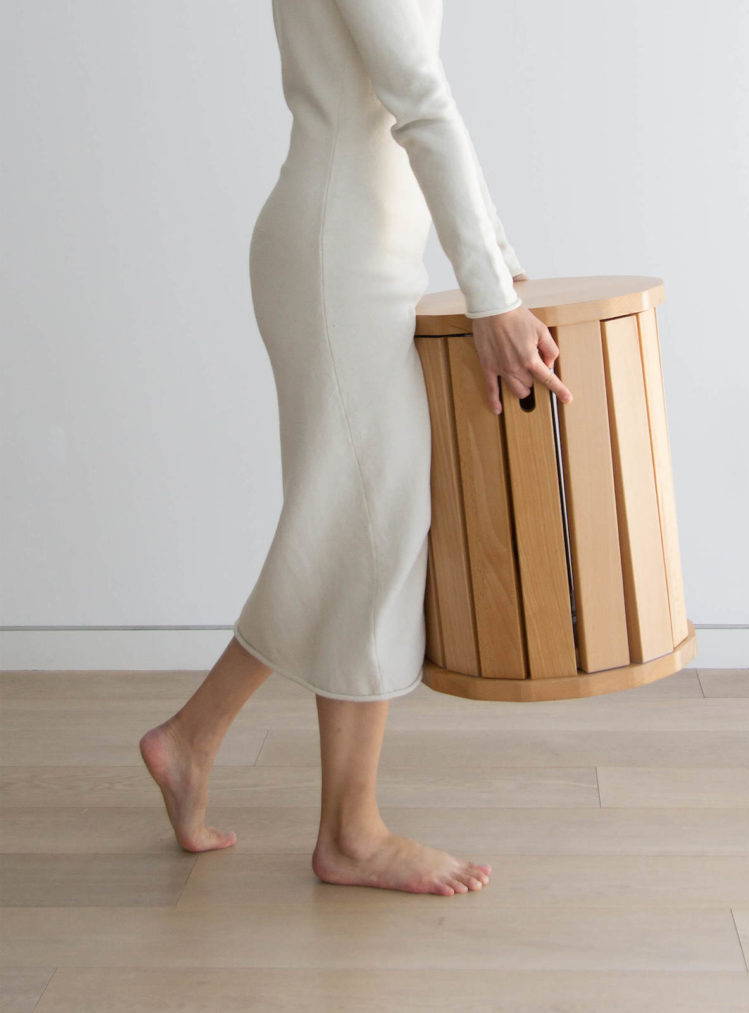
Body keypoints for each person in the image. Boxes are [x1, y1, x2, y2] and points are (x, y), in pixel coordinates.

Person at [139, 0, 572, 897]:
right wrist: (488, 291)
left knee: (355, 526)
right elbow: (421, 100)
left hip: (360, 246)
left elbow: (413, 102)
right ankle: (348, 830)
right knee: (370, 528)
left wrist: (496, 261)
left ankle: (199, 743)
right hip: (339, 257)